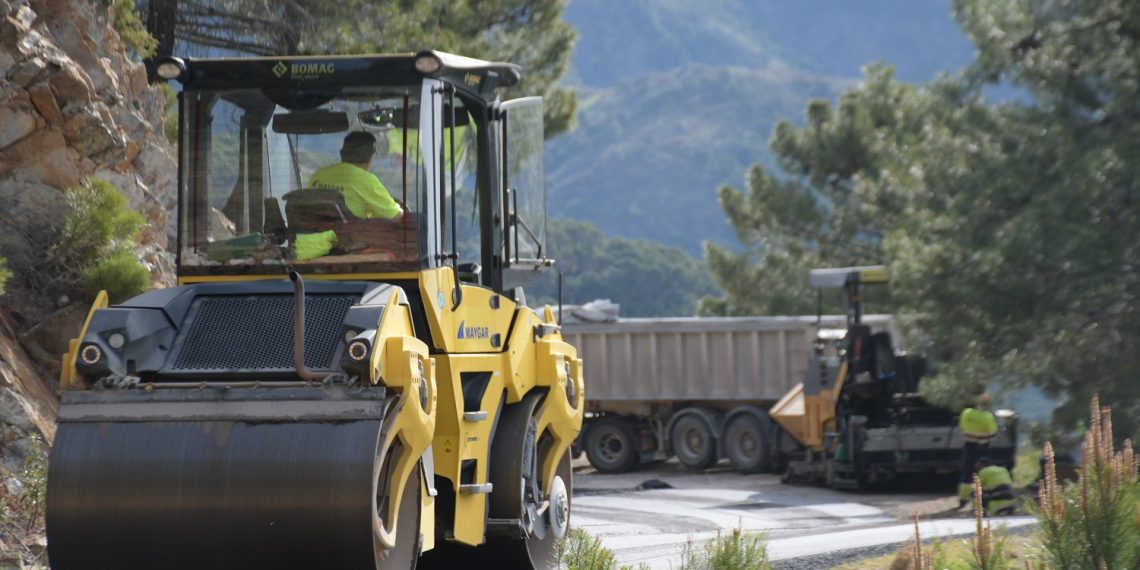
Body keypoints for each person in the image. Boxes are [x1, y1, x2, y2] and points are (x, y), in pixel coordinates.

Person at [308, 131, 403, 220]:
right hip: (343, 237)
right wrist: (400, 208)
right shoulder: (365, 180)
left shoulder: (319, 175)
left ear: (342, 154)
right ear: (369, 159)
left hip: (310, 236)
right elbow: (395, 216)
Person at [957, 393, 998, 507]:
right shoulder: (987, 416)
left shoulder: (966, 413)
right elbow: (993, 434)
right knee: (982, 474)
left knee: (966, 472)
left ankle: (963, 499)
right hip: (982, 448)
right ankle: (979, 501)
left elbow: (961, 428)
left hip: (968, 445)